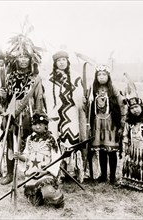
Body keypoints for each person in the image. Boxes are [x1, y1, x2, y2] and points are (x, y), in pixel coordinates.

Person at [0, 31, 46, 185]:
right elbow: (4, 99)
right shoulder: (10, 76)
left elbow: (39, 98)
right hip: (12, 114)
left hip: (28, 114)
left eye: (26, 57)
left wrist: (38, 117)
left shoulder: (35, 78)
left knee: (30, 142)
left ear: (30, 59)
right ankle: (10, 173)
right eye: (20, 57)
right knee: (11, 142)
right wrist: (3, 94)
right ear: (16, 59)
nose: (23, 60)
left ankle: (31, 171)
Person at [13, 111, 64, 208]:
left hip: (45, 174)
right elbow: (27, 156)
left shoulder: (51, 139)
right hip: (32, 175)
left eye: (40, 124)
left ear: (45, 125)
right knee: (35, 202)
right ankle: (36, 195)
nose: (37, 127)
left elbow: (57, 158)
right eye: (35, 124)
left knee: (49, 193)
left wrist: (45, 171)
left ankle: (53, 195)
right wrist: (20, 157)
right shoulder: (29, 139)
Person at [49, 50, 85, 183]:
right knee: (57, 139)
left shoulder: (75, 77)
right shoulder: (50, 78)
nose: (61, 62)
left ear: (67, 61)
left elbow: (80, 98)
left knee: (73, 138)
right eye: (59, 60)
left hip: (72, 112)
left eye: (64, 60)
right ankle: (59, 170)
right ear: (55, 63)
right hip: (56, 114)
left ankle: (74, 169)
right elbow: (48, 97)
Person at [89, 64, 125, 184]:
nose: (101, 77)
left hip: (111, 123)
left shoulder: (113, 89)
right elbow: (89, 105)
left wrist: (122, 121)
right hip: (98, 123)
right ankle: (103, 175)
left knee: (112, 150)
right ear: (96, 76)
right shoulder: (93, 89)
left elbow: (121, 104)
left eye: (104, 74)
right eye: (99, 74)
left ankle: (113, 177)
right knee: (102, 150)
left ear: (108, 76)